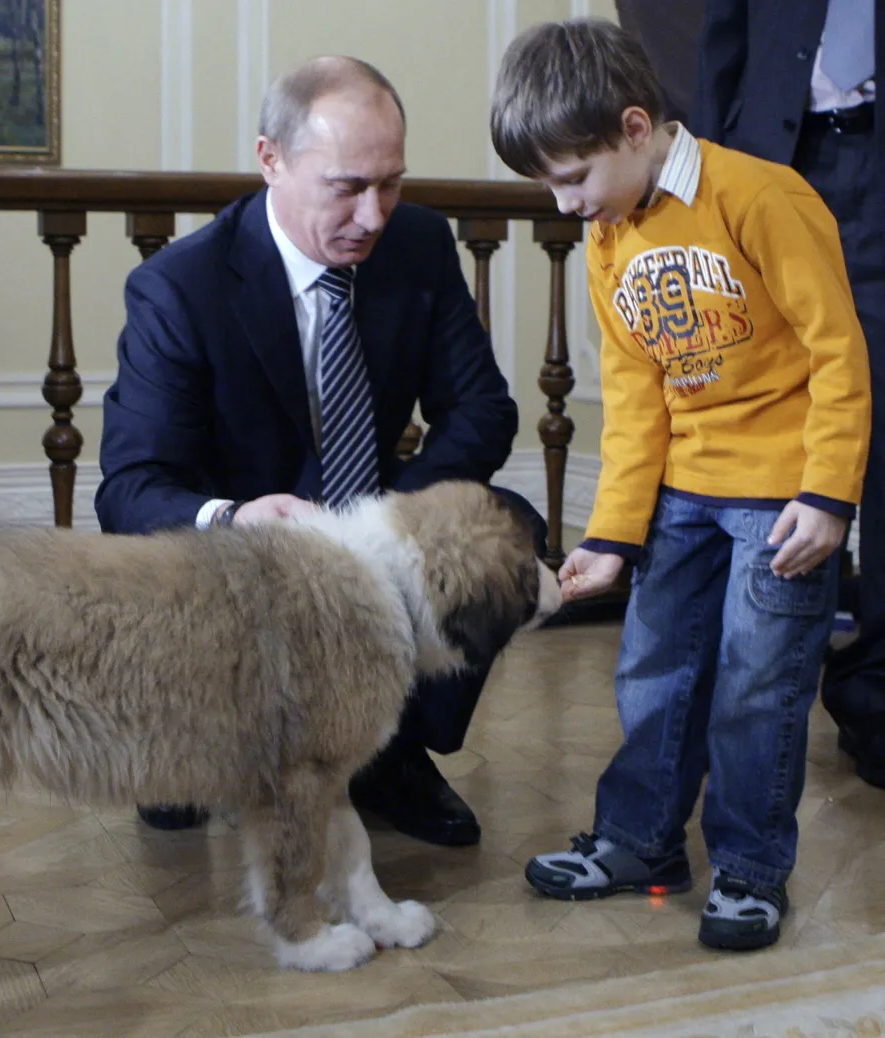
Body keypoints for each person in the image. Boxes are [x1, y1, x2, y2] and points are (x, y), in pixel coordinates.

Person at [95, 56, 544, 847]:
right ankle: (205, 741)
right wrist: (236, 518)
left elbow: (482, 410)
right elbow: (131, 486)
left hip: (370, 524)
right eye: (347, 187)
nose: (373, 215)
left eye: (391, 184)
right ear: (271, 160)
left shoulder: (417, 245)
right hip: (242, 558)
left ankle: (388, 752)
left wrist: (390, 523)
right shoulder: (181, 287)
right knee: (176, 804)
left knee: (507, 528)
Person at [490, 19, 870, 950]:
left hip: (781, 501)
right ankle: (641, 842)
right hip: (681, 498)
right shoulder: (609, 235)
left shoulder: (760, 196)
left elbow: (839, 349)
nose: (566, 204)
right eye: (549, 187)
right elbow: (634, 396)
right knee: (653, 672)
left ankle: (749, 871)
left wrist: (828, 493)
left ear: (634, 127)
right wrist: (612, 535)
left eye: (573, 178)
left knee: (757, 689)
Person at [692, 0, 885, 790]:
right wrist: (702, 181)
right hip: (772, 155)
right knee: (762, 414)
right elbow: (722, 38)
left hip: (872, 160)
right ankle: (741, 700)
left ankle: (874, 696)